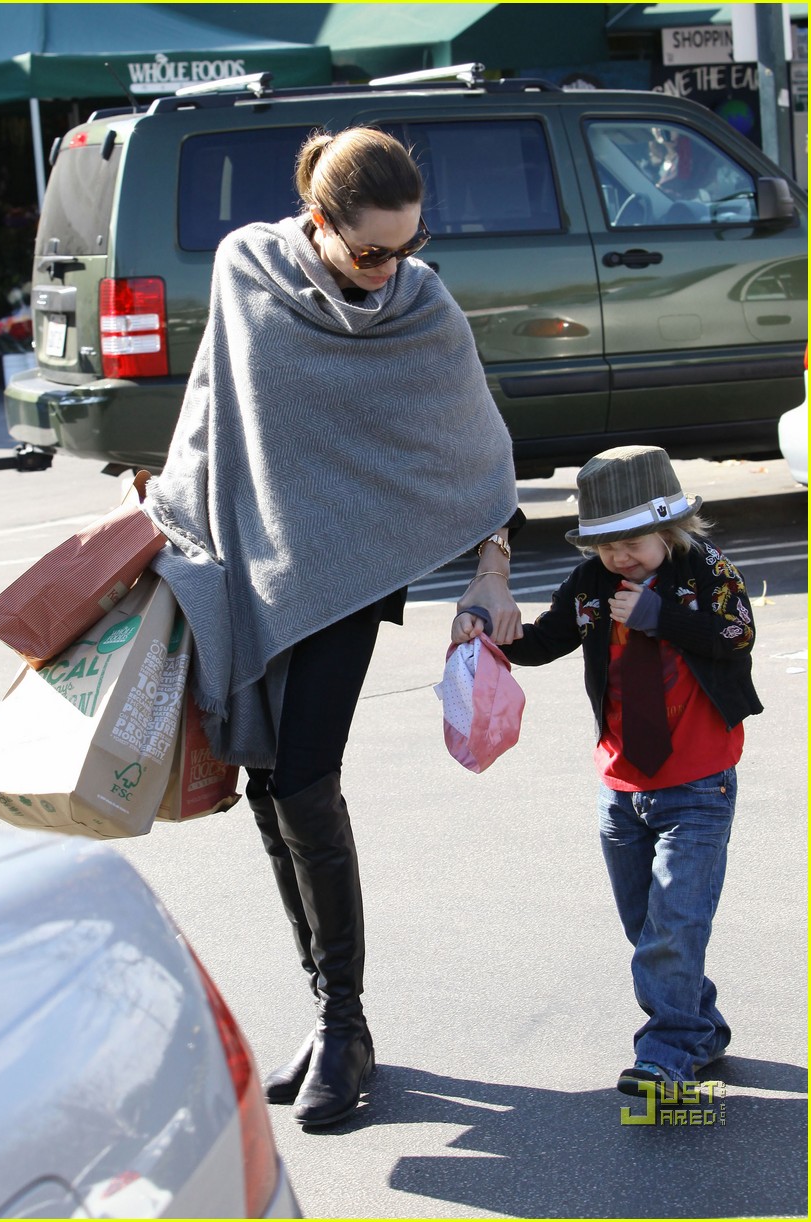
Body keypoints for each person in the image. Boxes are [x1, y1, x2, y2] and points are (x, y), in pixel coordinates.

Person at [144, 127, 523, 1127]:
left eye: (409, 245)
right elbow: (213, 416)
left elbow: (473, 447)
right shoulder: (245, 271)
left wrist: (490, 570)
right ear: (318, 223)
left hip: (347, 577)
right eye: (370, 251)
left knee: (305, 777)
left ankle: (346, 1018)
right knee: (267, 784)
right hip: (250, 564)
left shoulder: (421, 303)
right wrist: (174, 524)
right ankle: (328, 1010)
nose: (391, 268)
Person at [452, 445, 762, 1096]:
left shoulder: (701, 570)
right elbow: (545, 641)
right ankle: (698, 1028)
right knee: (646, 927)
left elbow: (735, 632)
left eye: (632, 540)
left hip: (697, 783)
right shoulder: (592, 585)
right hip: (621, 787)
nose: (618, 556)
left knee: (672, 927)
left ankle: (667, 1054)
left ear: (672, 526)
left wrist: (660, 616)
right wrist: (489, 630)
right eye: (604, 543)